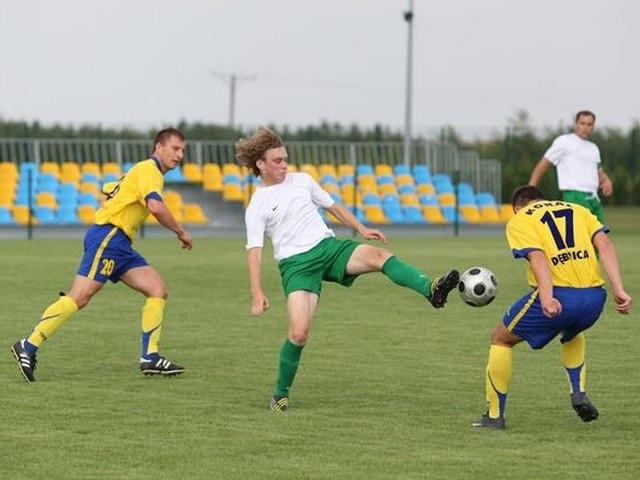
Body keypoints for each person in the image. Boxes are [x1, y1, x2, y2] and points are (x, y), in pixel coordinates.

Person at [237, 126, 460, 413]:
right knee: (299, 334)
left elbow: (333, 207)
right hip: (297, 266)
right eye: (278, 160)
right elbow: (254, 251)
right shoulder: (257, 204)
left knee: (380, 256)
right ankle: (280, 395)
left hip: (328, 249)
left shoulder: (302, 181)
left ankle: (431, 289)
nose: (284, 165)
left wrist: (361, 228)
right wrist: (257, 292)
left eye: (285, 159)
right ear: (261, 164)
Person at [11, 127, 193, 382]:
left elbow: (109, 190)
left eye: (183, 150)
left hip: (119, 243)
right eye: (175, 148)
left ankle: (150, 357)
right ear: (158, 148)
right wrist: (181, 232)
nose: (180, 154)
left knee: (157, 289)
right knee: (79, 297)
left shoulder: (141, 171)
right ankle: (28, 344)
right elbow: (155, 207)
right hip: (109, 238)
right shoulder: (150, 171)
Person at [472, 185, 632, 430]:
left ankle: (494, 416)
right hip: (595, 298)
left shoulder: (521, 219)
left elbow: (538, 258)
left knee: (501, 338)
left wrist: (546, 298)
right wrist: (619, 289)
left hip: (560, 296)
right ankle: (578, 392)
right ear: (542, 200)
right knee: (573, 332)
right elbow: (606, 244)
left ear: (517, 207)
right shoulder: (577, 210)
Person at [528, 110, 613, 223]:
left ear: (593, 126)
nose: (585, 127)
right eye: (582, 123)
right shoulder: (564, 142)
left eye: (589, 124)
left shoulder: (593, 148)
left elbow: (598, 171)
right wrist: (531, 187)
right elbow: (544, 163)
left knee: (603, 235)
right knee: (581, 235)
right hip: (575, 196)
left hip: (593, 198)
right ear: (576, 124)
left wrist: (607, 180)